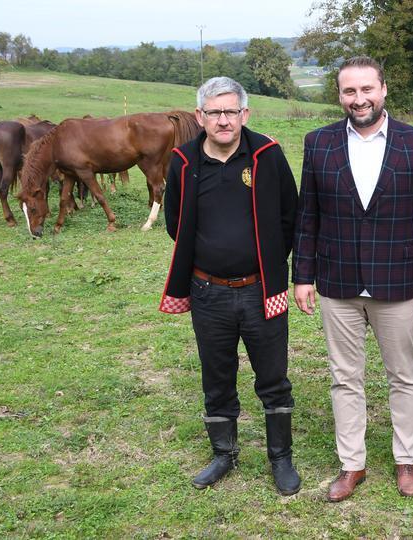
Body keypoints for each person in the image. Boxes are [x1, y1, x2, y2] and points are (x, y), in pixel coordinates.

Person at [292, 56, 413, 502]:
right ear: (339, 95)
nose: (359, 99)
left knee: (405, 375)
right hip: (336, 281)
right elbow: (308, 216)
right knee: (345, 377)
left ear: (384, 89)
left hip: (397, 281)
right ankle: (351, 464)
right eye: (349, 91)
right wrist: (302, 275)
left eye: (366, 89)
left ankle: (406, 459)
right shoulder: (318, 143)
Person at [159, 76, 300, 496]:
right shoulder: (183, 161)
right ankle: (224, 453)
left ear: (245, 114)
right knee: (216, 375)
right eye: (214, 113)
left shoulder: (266, 155)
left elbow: (290, 215)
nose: (224, 120)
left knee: (273, 376)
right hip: (208, 292)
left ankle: (281, 458)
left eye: (231, 111)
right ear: (200, 117)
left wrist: (271, 264)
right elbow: (174, 223)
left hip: (262, 289)